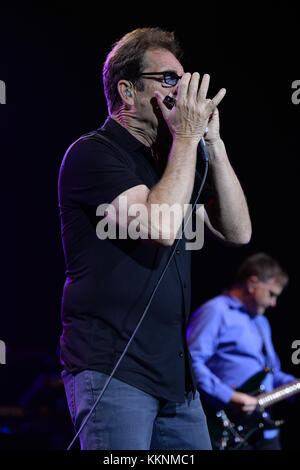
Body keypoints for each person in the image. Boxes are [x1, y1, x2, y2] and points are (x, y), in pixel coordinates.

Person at [58, 27, 251, 450]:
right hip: (114, 370)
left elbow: (238, 231)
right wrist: (186, 137)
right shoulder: (93, 153)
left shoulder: (170, 163)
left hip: (176, 380)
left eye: (182, 80)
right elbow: (161, 227)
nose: (180, 91)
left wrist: (212, 143)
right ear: (127, 91)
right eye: (168, 79)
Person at [187, 252, 297, 450]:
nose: (273, 303)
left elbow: (271, 373)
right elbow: (190, 362)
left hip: (264, 429)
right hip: (227, 426)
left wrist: (293, 385)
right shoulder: (215, 311)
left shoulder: (261, 321)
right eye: (271, 294)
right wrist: (229, 397)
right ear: (252, 283)